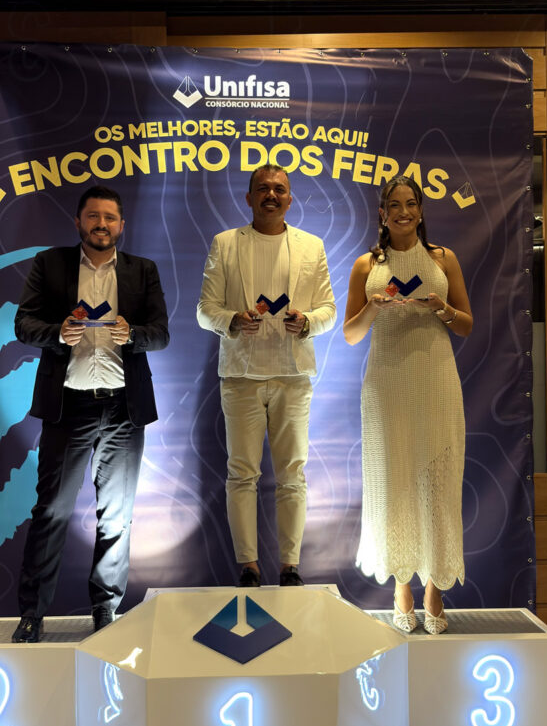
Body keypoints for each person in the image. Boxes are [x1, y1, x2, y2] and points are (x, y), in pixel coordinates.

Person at [12, 184, 169, 642]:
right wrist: (56, 332)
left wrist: (132, 334)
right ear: (78, 221)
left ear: (122, 225)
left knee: (117, 517)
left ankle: (106, 610)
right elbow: (23, 324)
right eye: (94, 216)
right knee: (51, 512)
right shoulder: (51, 264)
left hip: (124, 409)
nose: (102, 224)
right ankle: (32, 614)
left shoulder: (142, 270)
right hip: (69, 406)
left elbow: (161, 333)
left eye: (109, 218)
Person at [343, 174, 473, 635]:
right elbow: (351, 334)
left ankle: (435, 589)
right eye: (394, 205)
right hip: (387, 385)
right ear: (382, 214)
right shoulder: (366, 265)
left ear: (421, 210)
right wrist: (374, 307)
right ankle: (402, 589)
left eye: (411, 203)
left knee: (438, 486)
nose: (404, 212)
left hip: (436, 380)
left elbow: (466, 324)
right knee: (394, 482)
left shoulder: (443, 259)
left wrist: (442, 309)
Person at [197, 164, 336, 587]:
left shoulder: (312, 246)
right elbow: (204, 310)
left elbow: (329, 310)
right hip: (241, 377)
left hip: (293, 376)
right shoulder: (225, 243)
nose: (271, 195)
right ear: (249, 197)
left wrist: (307, 321)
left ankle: (290, 566)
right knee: (242, 473)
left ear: (290, 199)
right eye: (263, 189)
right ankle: (249, 566)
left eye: (279, 189)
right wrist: (233, 320)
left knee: (292, 475)